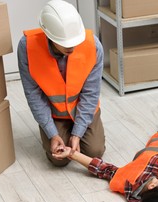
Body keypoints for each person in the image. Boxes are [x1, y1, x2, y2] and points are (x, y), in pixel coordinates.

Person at [17, 0, 105, 167]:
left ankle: (81, 127)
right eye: (64, 42)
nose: (71, 46)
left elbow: (91, 94)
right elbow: (33, 95)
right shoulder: (27, 47)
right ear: (48, 35)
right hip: (54, 113)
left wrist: (77, 133)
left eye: (74, 40)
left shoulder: (93, 46)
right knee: (58, 159)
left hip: (83, 108)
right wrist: (52, 134)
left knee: (95, 151)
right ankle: (60, 132)